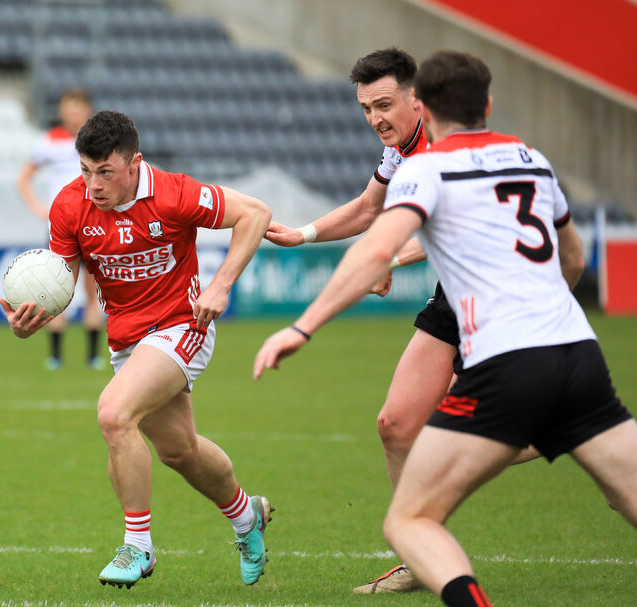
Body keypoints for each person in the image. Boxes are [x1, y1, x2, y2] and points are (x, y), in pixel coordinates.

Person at [254, 50, 637, 606]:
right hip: (548, 330)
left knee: (409, 514)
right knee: (396, 423)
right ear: (486, 105)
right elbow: (570, 262)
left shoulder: (433, 164)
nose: (374, 118)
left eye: (384, 105)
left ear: (423, 104)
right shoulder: (527, 157)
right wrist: (306, 234)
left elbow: (381, 243)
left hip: (495, 324)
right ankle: (566, 435)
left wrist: (305, 325)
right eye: (365, 108)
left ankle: (520, 450)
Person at [0, 110, 274, 588]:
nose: (93, 184)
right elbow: (58, 287)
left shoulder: (174, 192)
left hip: (182, 323)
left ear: (134, 164)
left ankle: (138, 547)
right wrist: (29, 324)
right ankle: (247, 516)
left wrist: (221, 285)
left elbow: (256, 213)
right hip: (128, 339)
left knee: (113, 413)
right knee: (179, 451)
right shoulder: (68, 207)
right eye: (86, 170)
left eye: (105, 172)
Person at [16, 87, 105, 370]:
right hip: (61, 226)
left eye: (77, 108)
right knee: (55, 292)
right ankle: (56, 356)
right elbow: (24, 178)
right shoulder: (50, 141)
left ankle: (93, 356)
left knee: (93, 292)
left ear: (87, 111)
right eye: (68, 108)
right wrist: (38, 208)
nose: (72, 114)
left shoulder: (99, 141)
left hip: (93, 225)